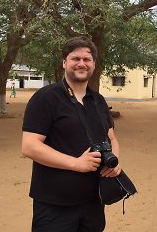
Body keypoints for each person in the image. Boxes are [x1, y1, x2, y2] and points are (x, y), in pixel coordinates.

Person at [21, 36, 121, 232]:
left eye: (87, 59)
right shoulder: (46, 97)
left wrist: (114, 159)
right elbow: (29, 146)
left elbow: (112, 138)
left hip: (94, 200)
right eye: (75, 59)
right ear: (65, 63)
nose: (81, 64)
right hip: (55, 204)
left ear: (93, 64)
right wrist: (76, 163)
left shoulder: (98, 100)